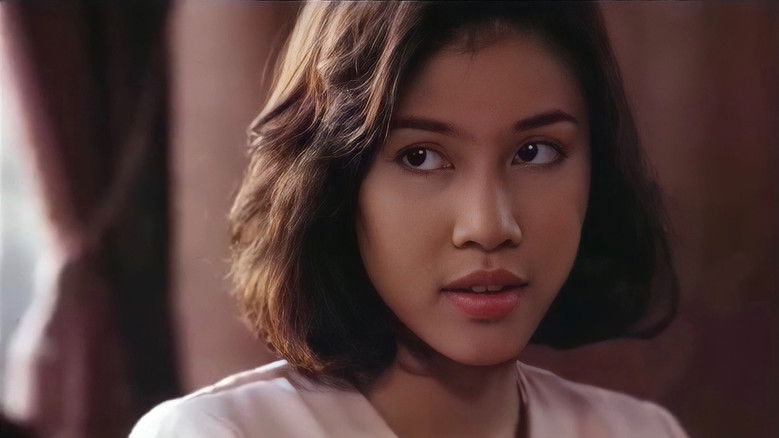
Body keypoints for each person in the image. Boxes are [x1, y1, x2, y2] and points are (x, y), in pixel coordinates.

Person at [131, 2, 688, 437]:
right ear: (335, 182)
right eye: (420, 157)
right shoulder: (218, 434)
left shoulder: (641, 432)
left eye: (535, 152)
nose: (489, 225)